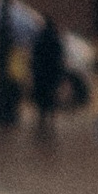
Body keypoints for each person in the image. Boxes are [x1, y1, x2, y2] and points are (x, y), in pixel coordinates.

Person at [32, 10, 67, 141]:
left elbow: (35, 57)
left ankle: (42, 117)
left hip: (41, 73)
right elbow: (59, 57)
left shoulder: (39, 38)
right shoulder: (55, 39)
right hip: (52, 73)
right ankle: (51, 118)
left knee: (42, 96)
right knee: (51, 95)